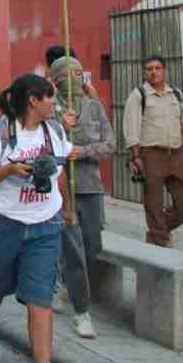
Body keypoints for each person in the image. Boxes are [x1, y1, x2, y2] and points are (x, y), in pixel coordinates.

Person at [0, 74, 73, 363]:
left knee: (41, 295)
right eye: (50, 97)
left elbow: (60, 172)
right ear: (33, 100)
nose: (55, 103)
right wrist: (10, 170)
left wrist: (67, 208)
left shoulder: (54, 130)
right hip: (0, 221)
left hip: (44, 223)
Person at [48, 51, 113, 339]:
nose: (72, 79)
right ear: (56, 80)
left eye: (76, 73)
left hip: (90, 186)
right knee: (73, 250)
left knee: (91, 245)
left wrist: (83, 151)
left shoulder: (94, 107)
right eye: (65, 75)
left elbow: (110, 144)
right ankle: (82, 311)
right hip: (64, 189)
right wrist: (62, 130)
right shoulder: (50, 111)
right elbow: (41, 146)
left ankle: (64, 280)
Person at [123, 54, 183, 249]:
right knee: (154, 202)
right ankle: (160, 239)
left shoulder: (176, 94)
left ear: (164, 71)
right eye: (149, 69)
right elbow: (131, 129)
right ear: (144, 72)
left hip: (176, 154)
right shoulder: (138, 95)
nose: (153, 72)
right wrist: (136, 157)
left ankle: (158, 232)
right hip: (151, 154)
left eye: (157, 68)